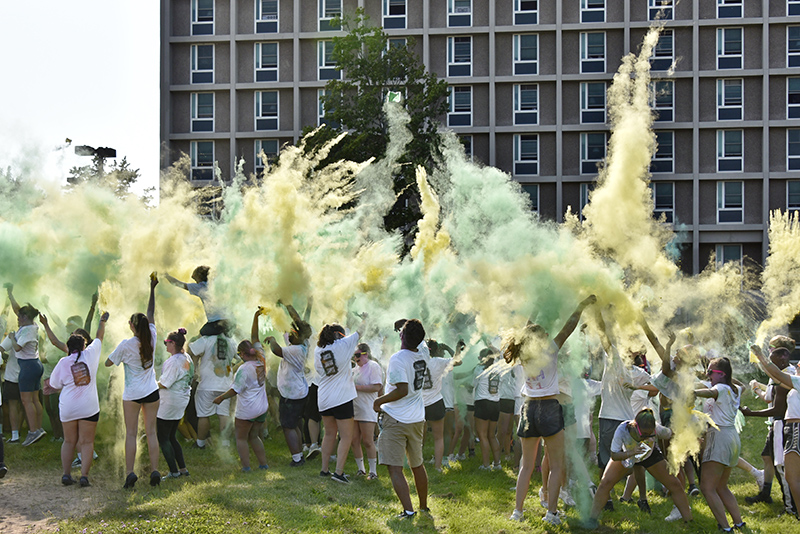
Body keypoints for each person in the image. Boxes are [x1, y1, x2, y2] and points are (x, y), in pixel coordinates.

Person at [507, 294, 596, 526]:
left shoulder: (523, 353)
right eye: (544, 334)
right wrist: (581, 306)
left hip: (528, 407)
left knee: (526, 465)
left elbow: (525, 329)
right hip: (548, 407)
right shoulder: (550, 350)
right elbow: (569, 327)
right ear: (541, 338)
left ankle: (517, 511)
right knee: (556, 465)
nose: (548, 335)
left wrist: (535, 307)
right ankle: (552, 513)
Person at [586, 408, 693, 528]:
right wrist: (631, 452)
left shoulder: (657, 429)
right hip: (626, 454)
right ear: (635, 426)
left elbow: (671, 433)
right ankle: (591, 519)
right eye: (643, 435)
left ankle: (689, 521)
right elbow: (614, 455)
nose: (646, 437)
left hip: (649, 455)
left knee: (675, 484)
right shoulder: (623, 429)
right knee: (605, 483)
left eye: (650, 434)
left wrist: (690, 438)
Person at [105, 274, 161, 488]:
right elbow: (151, 313)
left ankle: (130, 473)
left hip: (132, 395)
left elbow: (109, 363)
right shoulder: (153, 337)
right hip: (152, 392)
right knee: (152, 432)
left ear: (131, 326)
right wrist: (152, 289)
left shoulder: (126, 345)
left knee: (130, 434)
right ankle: (155, 471)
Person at [373, 318, 430, 519]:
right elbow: (421, 338)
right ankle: (423, 507)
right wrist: (407, 325)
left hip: (396, 418)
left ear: (403, 336)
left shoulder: (398, 358)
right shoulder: (423, 352)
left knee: (395, 468)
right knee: (417, 464)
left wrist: (379, 401)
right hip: (417, 418)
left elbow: (402, 390)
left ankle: (408, 510)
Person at [49, 312, 109, 487]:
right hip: (89, 407)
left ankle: (66, 475)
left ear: (68, 347)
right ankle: (84, 476)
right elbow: (99, 335)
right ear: (84, 345)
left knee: (69, 441)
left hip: (68, 407)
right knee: (87, 442)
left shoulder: (63, 362)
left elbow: (54, 384)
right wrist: (102, 321)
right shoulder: (91, 354)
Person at [742, 335, 796, 514]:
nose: (769, 351)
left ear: (781, 354)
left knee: (782, 467)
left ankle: (791, 506)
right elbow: (769, 398)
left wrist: (751, 413)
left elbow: (777, 410)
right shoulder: (777, 375)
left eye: (771, 349)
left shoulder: (785, 374)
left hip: (781, 425)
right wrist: (757, 388)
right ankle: (766, 492)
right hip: (776, 424)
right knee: (767, 457)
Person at [213, 316, 269, 472]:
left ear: (242, 354)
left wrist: (220, 398)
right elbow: (255, 337)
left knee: (241, 438)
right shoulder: (261, 359)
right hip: (262, 407)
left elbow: (235, 390)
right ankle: (263, 464)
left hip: (247, 409)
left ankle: (246, 467)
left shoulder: (243, 369)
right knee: (254, 436)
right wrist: (256, 318)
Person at [695, 356, 745, 532]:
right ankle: (738, 523)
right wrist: (725, 374)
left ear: (722, 374)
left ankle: (725, 527)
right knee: (721, 486)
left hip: (719, 436)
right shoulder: (736, 388)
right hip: (732, 437)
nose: (707, 375)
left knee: (707, 487)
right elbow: (742, 385)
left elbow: (710, 393)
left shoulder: (721, 387)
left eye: (711, 372)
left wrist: (692, 392)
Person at [263, 301, 312, 468]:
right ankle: (299, 455)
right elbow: (297, 320)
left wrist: (272, 339)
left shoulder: (295, 350)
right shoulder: (302, 343)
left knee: (288, 427)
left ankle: (297, 459)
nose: (289, 333)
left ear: (298, 335)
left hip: (291, 395)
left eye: (292, 332)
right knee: (295, 424)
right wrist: (288, 305)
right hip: (298, 392)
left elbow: (276, 350)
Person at [314, 321, 362, 483]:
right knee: (346, 436)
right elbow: (360, 331)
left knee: (328, 434)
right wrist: (365, 318)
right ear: (337, 335)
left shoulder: (317, 350)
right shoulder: (343, 344)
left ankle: (324, 469)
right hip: (342, 397)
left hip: (324, 397)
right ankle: (339, 473)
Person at [5, 284, 46, 446]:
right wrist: (10, 294)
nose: (17, 318)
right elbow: (17, 309)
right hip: (35, 365)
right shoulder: (31, 325)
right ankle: (39, 428)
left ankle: (33, 431)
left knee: (26, 400)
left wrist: (12, 337)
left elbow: (17, 347)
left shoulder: (27, 330)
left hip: (28, 367)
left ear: (25, 317)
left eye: (20, 316)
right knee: (35, 399)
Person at [187, 325, 235, 449]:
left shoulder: (206, 340)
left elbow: (190, 350)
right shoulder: (231, 341)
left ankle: (200, 444)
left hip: (206, 385)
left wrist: (198, 337)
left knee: (203, 416)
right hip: (225, 384)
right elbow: (240, 356)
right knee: (223, 415)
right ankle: (225, 445)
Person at [157, 328, 194, 480]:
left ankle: (174, 471)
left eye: (167, 342)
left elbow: (165, 383)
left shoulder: (174, 361)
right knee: (172, 436)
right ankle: (183, 469)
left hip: (170, 402)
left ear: (173, 343)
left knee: (163, 437)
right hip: (181, 400)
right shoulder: (187, 358)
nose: (165, 345)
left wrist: (149, 384)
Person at [422, 339, 460, 472]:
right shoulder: (439, 362)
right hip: (436, 402)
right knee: (438, 436)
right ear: (436, 350)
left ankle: (418, 462)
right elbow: (458, 360)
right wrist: (453, 349)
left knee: (421, 435)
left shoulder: (418, 362)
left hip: (427, 403)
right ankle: (438, 464)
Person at [164, 266, 228, 336]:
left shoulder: (200, 287)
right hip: (228, 320)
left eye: (196, 279)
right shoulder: (216, 285)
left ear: (200, 277)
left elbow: (177, 283)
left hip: (215, 322)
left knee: (193, 342)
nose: (196, 282)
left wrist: (166, 275)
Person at [351, 343, 382, 478]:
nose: (355, 358)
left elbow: (376, 386)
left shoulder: (373, 366)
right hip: (354, 408)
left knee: (368, 441)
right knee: (354, 440)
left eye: (358, 355)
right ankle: (361, 469)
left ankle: (373, 471)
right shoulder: (354, 370)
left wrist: (356, 387)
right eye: (354, 356)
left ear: (366, 354)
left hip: (367, 407)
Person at [473, 349, 502, 470]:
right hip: (495, 403)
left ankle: (486, 465)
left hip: (482, 402)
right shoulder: (499, 369)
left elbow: (474, 385)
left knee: (482, 435)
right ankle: (497, 464)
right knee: (492, 435)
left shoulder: (479, 370)